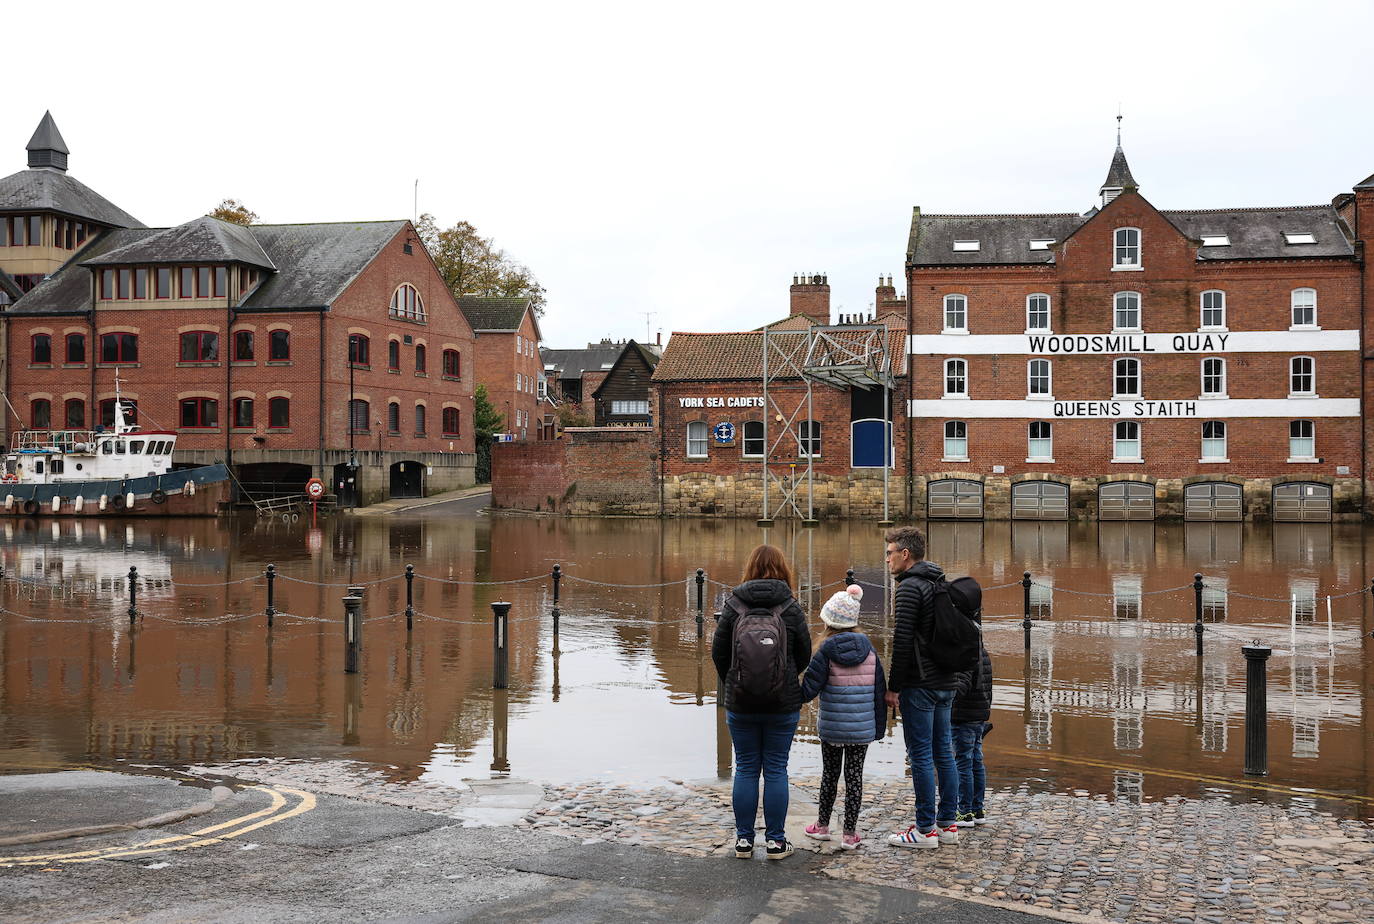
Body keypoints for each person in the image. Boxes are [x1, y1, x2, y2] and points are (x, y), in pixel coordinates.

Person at [711, 544, 812, 861]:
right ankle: (776, 842)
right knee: (776, 769)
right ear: (783, 569)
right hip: (782, 703)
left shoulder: (734, 605)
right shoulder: (790, 607)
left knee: (745, 768)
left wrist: (733, 683)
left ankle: (743, 842)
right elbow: (804, 655)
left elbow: (719, 653)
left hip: (740, 703)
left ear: (749, 568)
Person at [883, 525, 965, 849]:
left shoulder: (909, 589)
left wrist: (893, 687)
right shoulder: (940, 583)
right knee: (944, 752)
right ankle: (948, 825)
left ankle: (924, 830)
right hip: (947, 680)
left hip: (921, 683)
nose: (887, 559)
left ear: (905, 554)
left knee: (919, 755)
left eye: (889, 553)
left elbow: (902, 641)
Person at [799, 584, 886, 850]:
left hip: (833, 729)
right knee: (854, 778)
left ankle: (822, 826)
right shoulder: (870, 650)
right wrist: (877, 729)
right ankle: (850, 834)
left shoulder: (824, 651)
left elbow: (808, 691)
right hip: (861, 730)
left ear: (828, 622)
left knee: (830, 775)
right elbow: (879, 692)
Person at [951, 592, 992, 829]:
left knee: (963, 761)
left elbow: (963, 683)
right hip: (978, 713)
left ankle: (964, 811)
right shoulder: (981, 647)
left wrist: (948, 700)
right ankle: (978, 809)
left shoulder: (966, 647)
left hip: (964, 714)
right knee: (976, 760)